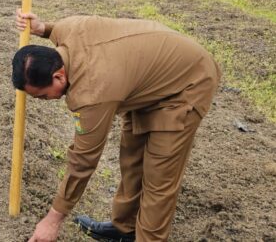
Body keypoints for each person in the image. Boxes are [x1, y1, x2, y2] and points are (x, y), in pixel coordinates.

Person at [13, 12, 220, 242]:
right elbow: (54, 30)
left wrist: (53, 220)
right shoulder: (67, 28)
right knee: (132, 159)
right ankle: (126, 229)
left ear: (59, 76)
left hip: (187, 82)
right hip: (148, 78)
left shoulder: (92, 92)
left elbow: (82, 161)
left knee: (158, 178)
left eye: (41, 96)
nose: (43, 101)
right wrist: (42, 28)